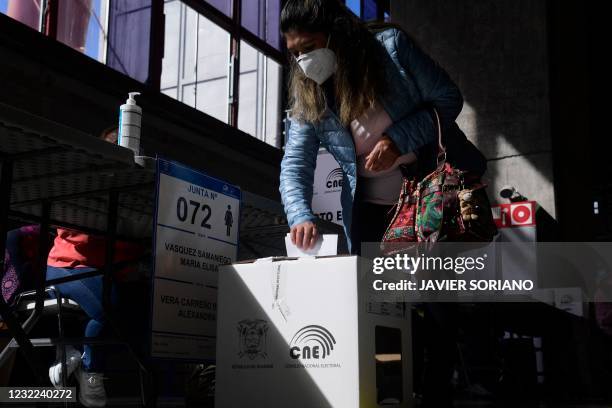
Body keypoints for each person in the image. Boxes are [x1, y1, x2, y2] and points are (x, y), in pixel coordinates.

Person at [278, 1, 486, 406]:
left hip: (428, 194)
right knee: (384, 307)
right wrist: (300, 215)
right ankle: (394, 389)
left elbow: (448, 98)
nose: (303, 60)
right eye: (293, 52)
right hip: (372, 210)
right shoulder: (307, 91)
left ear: (336, 32)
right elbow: (295, 163)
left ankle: (439, 390)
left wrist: (396, 141)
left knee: (437, 301)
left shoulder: (389, 49)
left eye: (309, 46)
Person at [45, 127, 144, 407]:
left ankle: (76, 354)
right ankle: (90, 370)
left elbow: (135, 244)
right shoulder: (83, 181)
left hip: (105, 271)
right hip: (67, 264)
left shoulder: (131, 191)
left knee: (140, 306)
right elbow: (82, 236)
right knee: (108, 305)